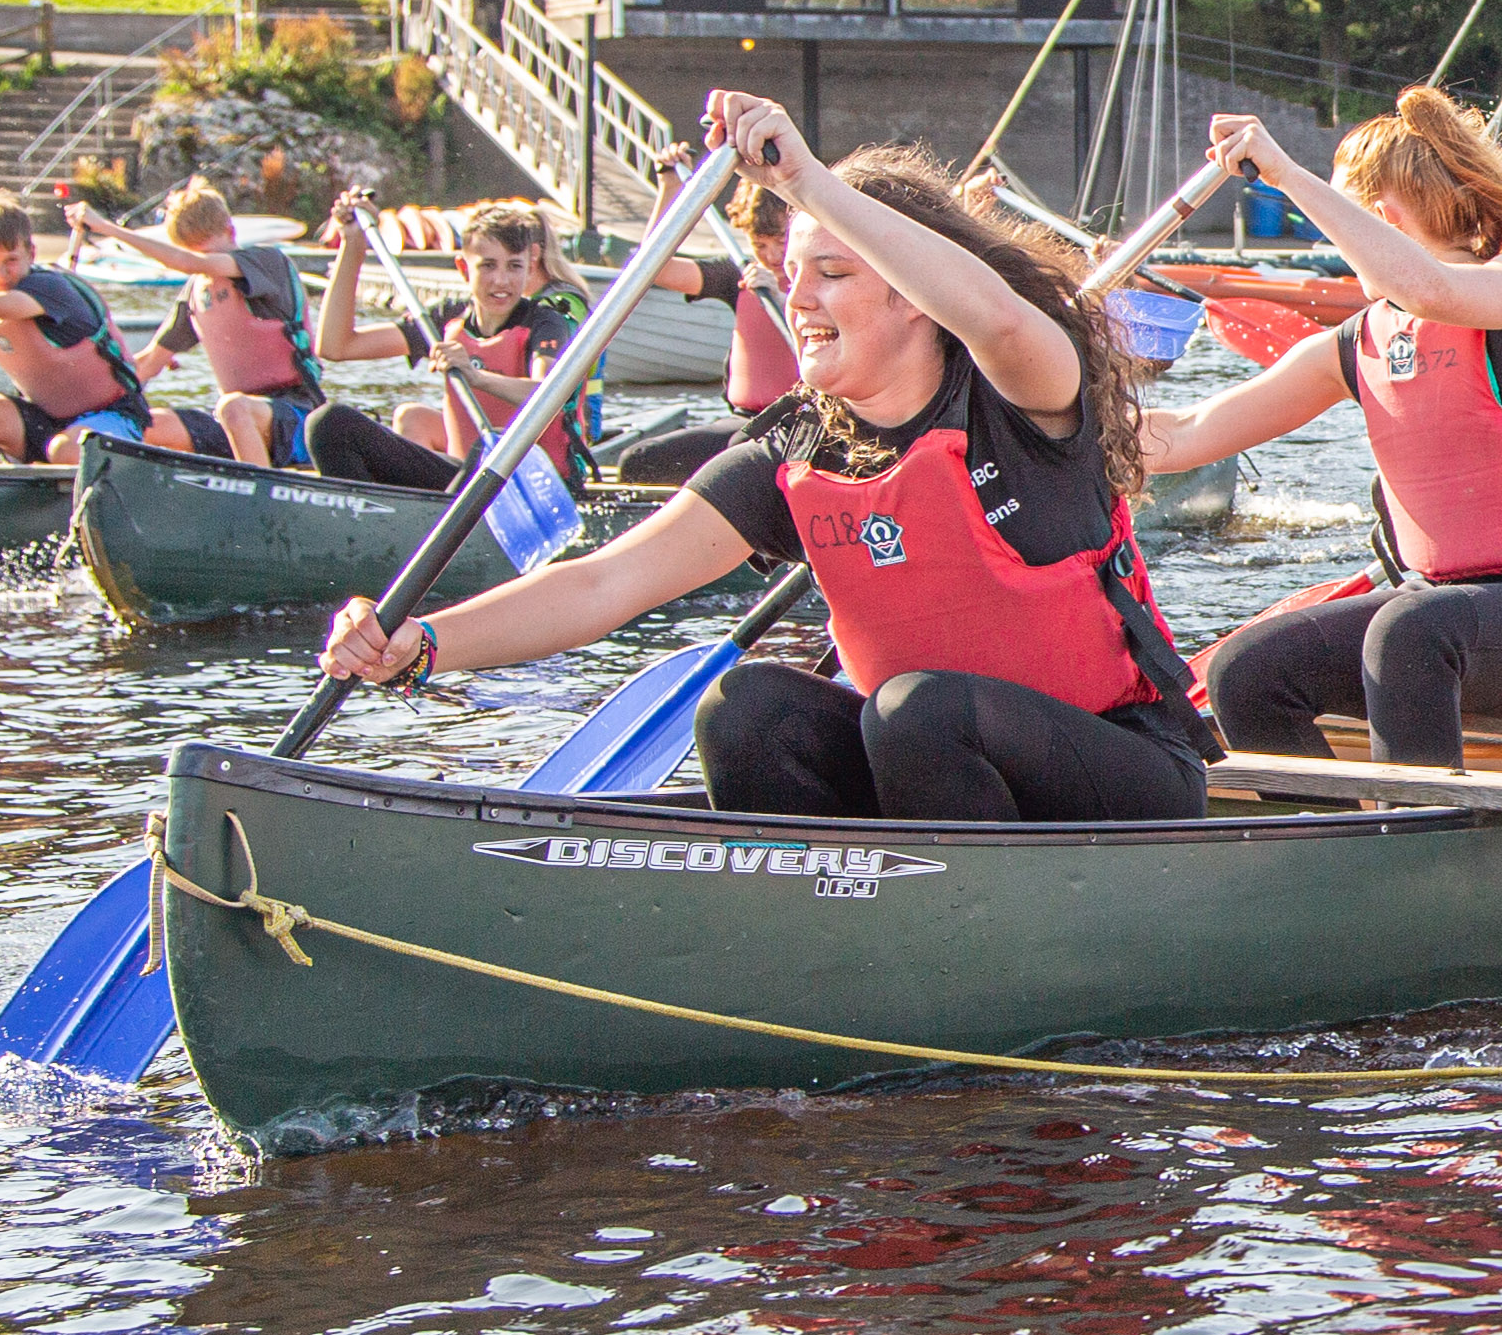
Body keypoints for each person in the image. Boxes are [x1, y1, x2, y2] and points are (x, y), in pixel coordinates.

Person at [321, 98, 1213, 824]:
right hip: (935, 781)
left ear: (912, 296)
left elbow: (1002, 318)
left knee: (917, 711)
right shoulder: (794, 446)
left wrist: (806, 180)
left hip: (1121, 772)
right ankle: (812, 931)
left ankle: (952, 957)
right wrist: (421, 644)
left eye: (832, 271)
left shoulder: (1017, 394)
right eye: (792, 272)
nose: (798, 297)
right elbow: (603, 584)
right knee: (745, 707)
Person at [1146, 89, 1502, 768]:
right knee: (1247, 669)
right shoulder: (1359, 342)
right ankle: (1320, 835)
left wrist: (1286, 174)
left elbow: (1432, 291)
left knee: (1410, 629)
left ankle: (1415, 836)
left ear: (1377, 214)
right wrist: (1054, 418)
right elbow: (1186, 431)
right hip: (1440, 617)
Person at [303, 193, 586, 494]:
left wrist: (476, 376)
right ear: (464, 269)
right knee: (330, 424)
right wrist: (353, 245)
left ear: (530, 267)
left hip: (537, 485)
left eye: (514, 267)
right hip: (466, 482)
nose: (501, 281)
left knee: (493, 447)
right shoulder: (447, 319)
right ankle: (369, 520)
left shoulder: (545, 322)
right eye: (488, 266)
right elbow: (336, 346)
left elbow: (549, 396)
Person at [0, 196, 204, 462]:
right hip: (47, 422)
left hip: (113, 417)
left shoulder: (50, 289)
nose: (0, 275)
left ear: (31, 253)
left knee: (66, 450)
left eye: (10, 261)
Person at [81, 181, 326, 468]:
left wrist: (107, 228)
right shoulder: (197, 293)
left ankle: (261, 501)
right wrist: (88, 396)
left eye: (207, 256)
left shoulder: (266, 262)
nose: (204, 266)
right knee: (145, 425)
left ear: (230, 231)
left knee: (234, 409)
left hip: (297, 416)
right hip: (234, 420)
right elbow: (148, 363)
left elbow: (186, 262)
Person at [612, 152, 800, 489]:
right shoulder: (737, 276)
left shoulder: (824, 280)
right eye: (760, 244)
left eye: (781, 243)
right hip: (747, 421)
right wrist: (669, 186)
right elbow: (658, 268)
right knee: (640, 462)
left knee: (739, 454)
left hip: (803, 423)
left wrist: (782, 296)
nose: (772, 256)